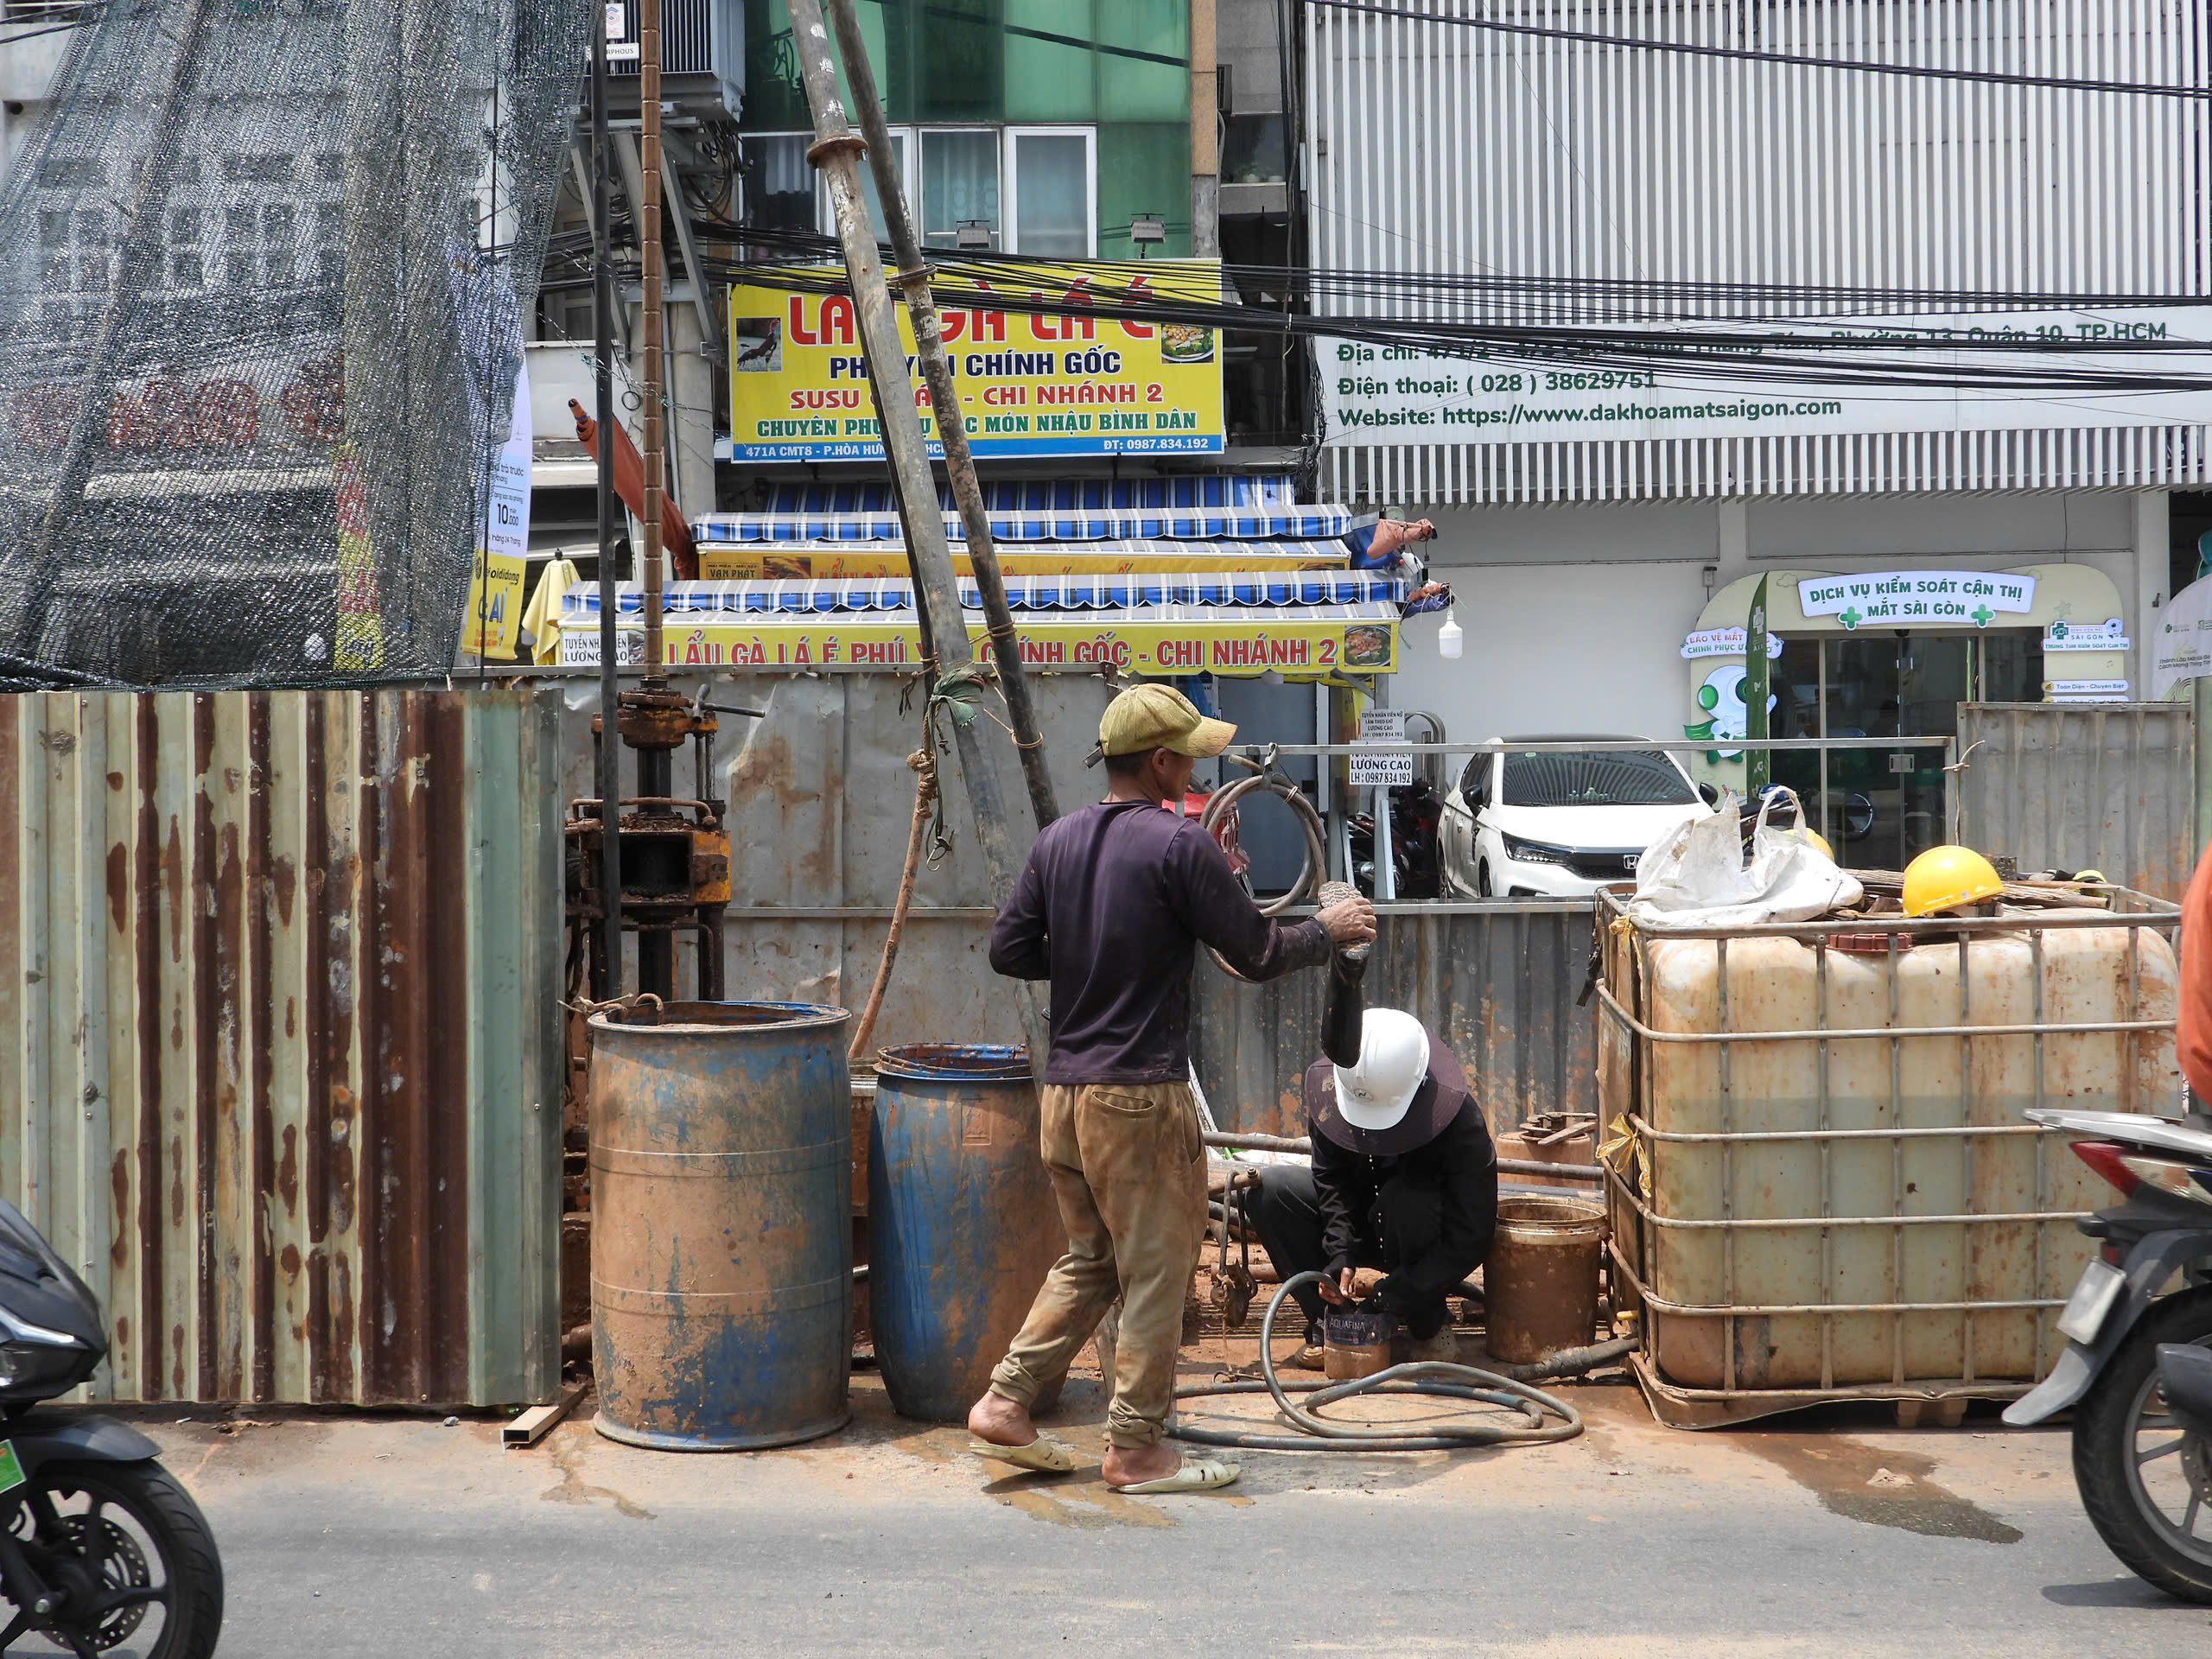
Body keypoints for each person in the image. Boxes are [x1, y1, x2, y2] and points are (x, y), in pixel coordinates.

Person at [965, 683, 1376, 1494]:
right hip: (1138, 1100)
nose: (1194, 767)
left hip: (1065, 1097)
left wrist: (1096, 953)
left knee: (1094, 1259)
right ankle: (1135, 1447)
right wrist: (1326, 932)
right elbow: (1258, 952)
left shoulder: (1059, 841)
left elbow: (1010, 950)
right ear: (1160, 764)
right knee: (1157, 1268)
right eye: (1187, 754)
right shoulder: (1179, 844)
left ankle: (1007, 1403)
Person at [1243, 1008, 1497, 1370]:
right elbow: (1330, 1178)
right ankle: (1329, 1320)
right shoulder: (1335, 1096)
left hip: (1416, 1232)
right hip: (1361, 1222)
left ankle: (1428, 1323)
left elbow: (1471, 1235)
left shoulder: (1460, 1124)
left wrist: (1393, 1296)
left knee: (1407, 1201)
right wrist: (1339, 1253)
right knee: (1271, 1191)